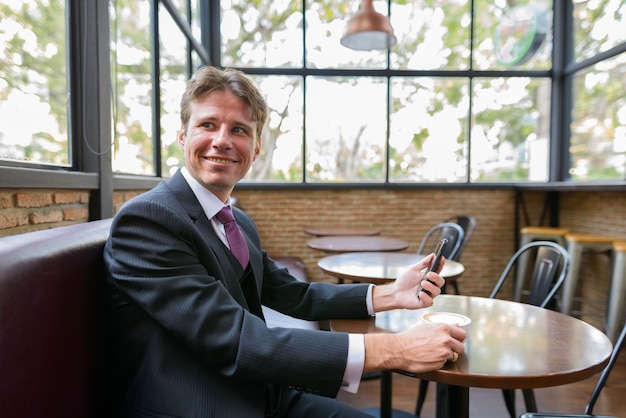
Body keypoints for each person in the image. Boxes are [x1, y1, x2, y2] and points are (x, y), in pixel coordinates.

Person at [102, 65, 466, 418]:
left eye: (240, 130)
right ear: (183, 135)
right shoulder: (149, 220)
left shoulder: (236, 221)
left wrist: (388, 294)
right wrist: (395, 348)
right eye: (208, 125)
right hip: (203, 404)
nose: (222, 141)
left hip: (264, 394)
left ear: (257, 148)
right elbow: (237, 340)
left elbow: (292, 295)